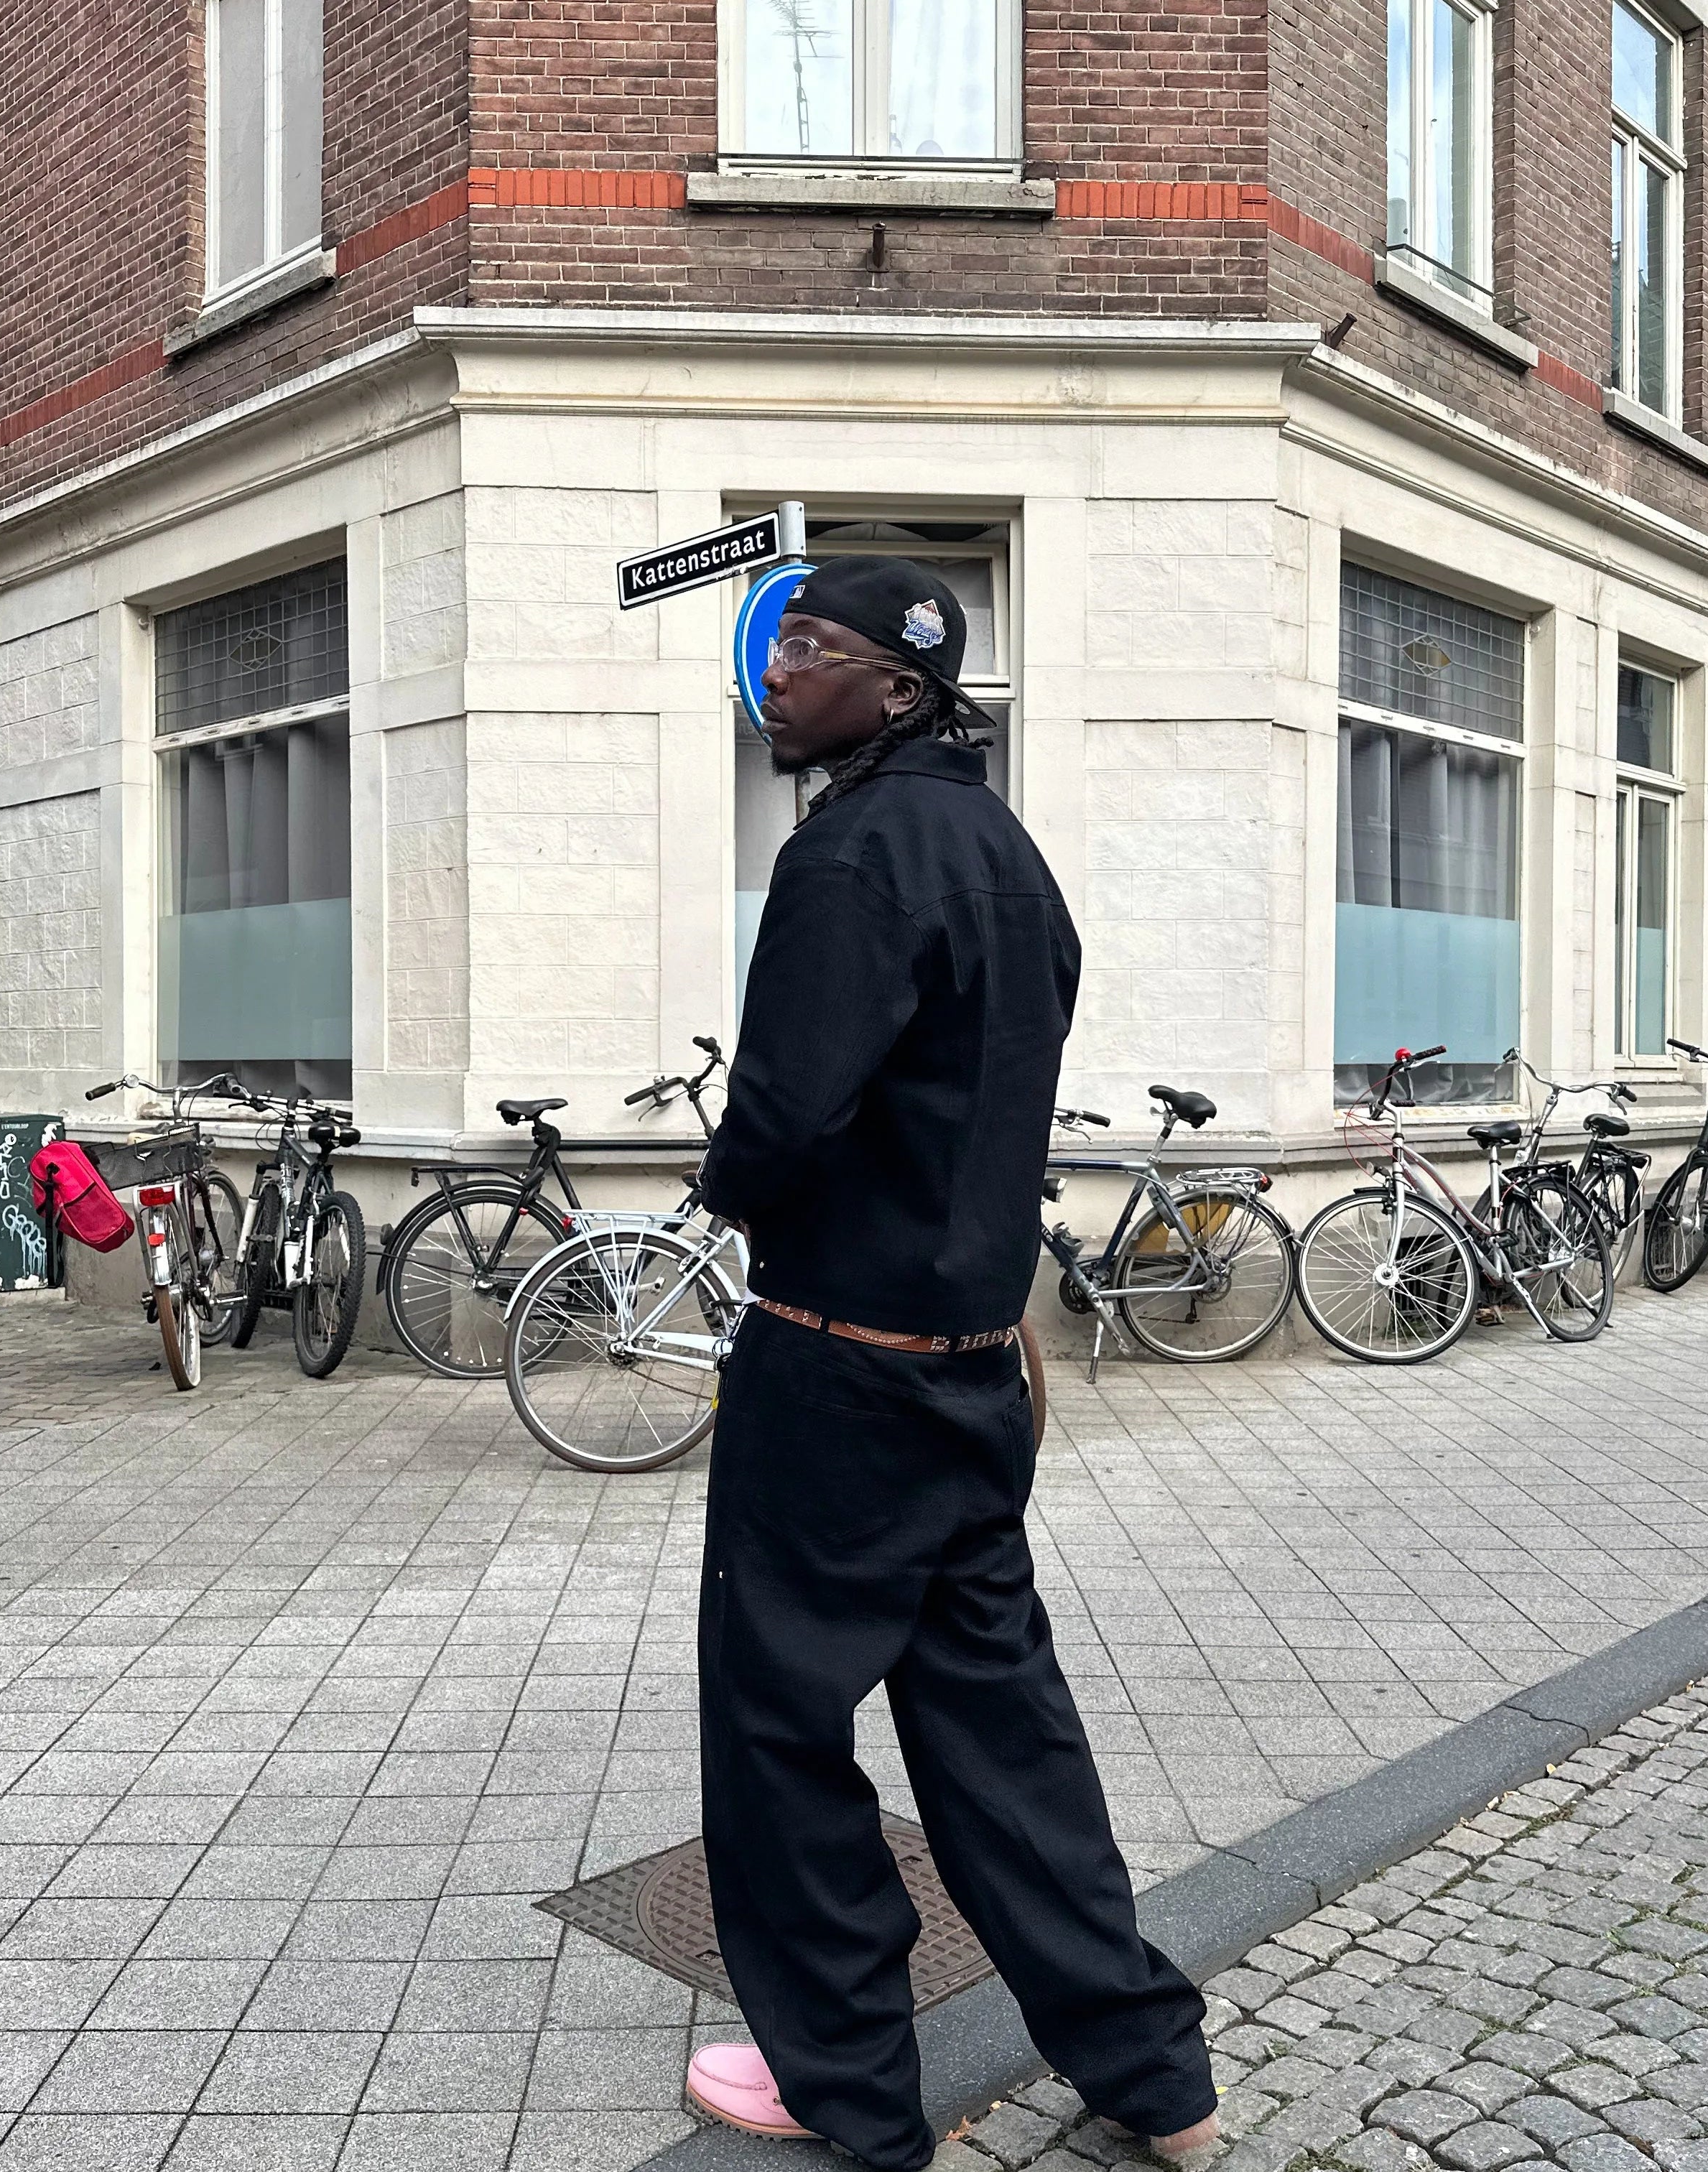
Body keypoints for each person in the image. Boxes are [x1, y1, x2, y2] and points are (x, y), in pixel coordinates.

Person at [684, 557, 1218, 2171]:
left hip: (834, 1366)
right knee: (1002, 1732)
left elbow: (786, 1112)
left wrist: (730, 1189)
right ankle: (1155, 2076)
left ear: (899, 690)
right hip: (978, 1368)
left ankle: (846, 2085)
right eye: (778, 645)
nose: (776, 673)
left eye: (810, 649)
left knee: (778, 1725)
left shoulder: (847, 853)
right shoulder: (1009, 856)